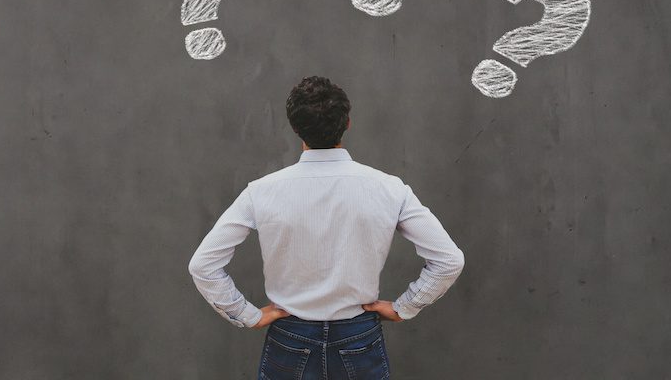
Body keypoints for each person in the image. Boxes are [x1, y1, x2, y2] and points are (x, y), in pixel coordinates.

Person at [188, 76, 466, 379]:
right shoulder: (389, 189)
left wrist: (247, 315)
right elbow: (448, 261)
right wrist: (404, 307)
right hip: (358, 336)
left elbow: (203, 266)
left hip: (289, 338)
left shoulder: (261, 191)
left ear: (295, 128)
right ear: (347, 123)